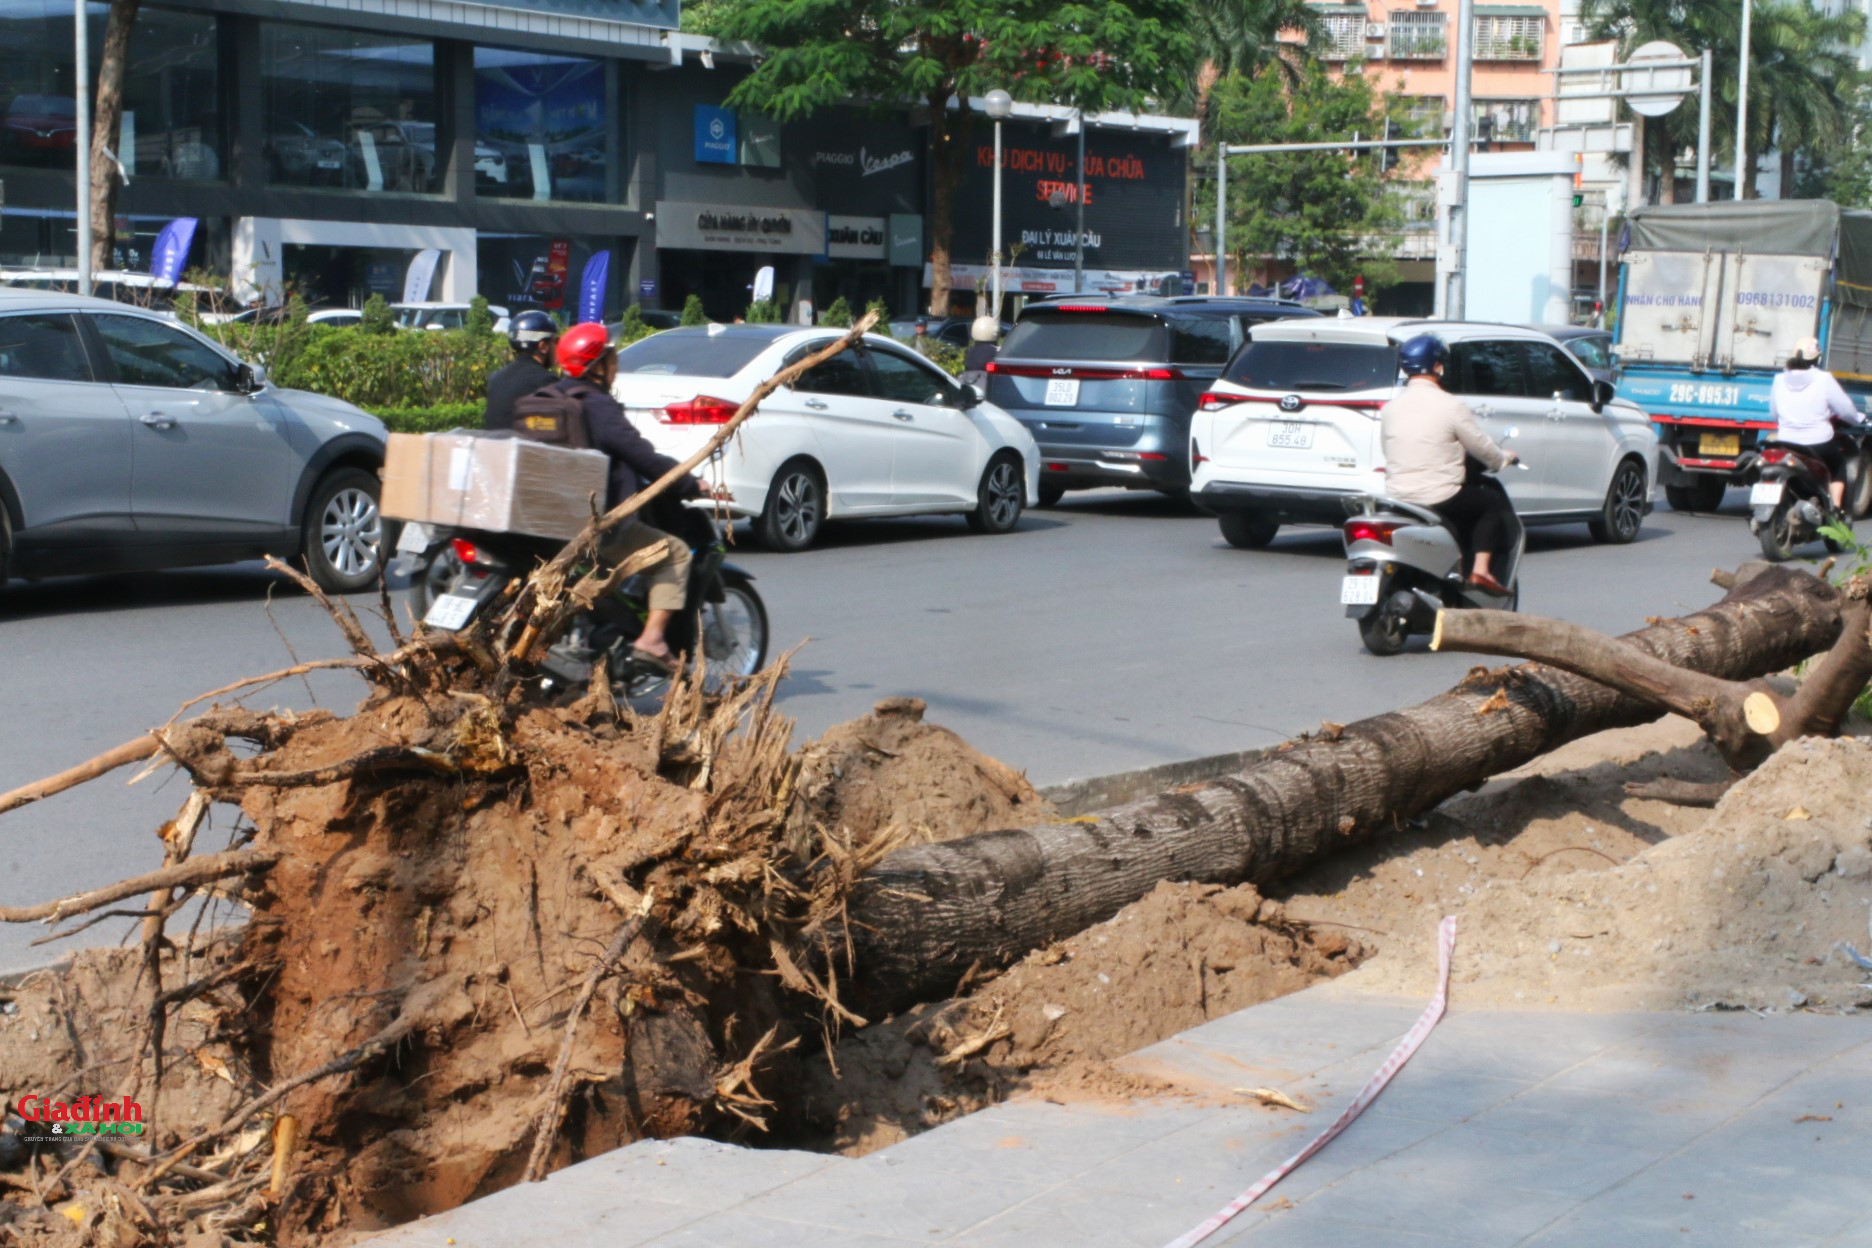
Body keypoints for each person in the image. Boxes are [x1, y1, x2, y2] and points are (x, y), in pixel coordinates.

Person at [551, 323, 731, 672]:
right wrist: (690, 483)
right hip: (596, 525)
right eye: (612, 357)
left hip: (554, 521)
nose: (616, 363)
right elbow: (640, 455)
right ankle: (651, 639)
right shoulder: (597, 405)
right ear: (597, 366)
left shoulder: (552, 398)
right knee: (675, 553)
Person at [1380, 333, 1520, 595]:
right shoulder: (1451, 405)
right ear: (1437, 366)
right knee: (1490, 503)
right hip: (1439, 495)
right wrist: (1502, 459)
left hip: (1398, 495)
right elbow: (1480, 446)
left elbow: (1387, 448)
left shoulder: (1391, 408)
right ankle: (1480, 569)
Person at [1770, 336, 1868, 514]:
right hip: (1818, 443)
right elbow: (1845, 410)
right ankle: (1836, 511)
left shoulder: (1779, 379)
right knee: (1838, 465)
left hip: (1786, 442)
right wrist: (1859, 419)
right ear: (1817, 358)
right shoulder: (1824, 379)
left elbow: (1774, 413)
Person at [483, 310, 559, 431]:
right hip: (524, 449)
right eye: (556, 341)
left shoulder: (496, 377)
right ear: (543, 346)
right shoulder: (547, 381)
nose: (557, 347)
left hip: (493, 448)